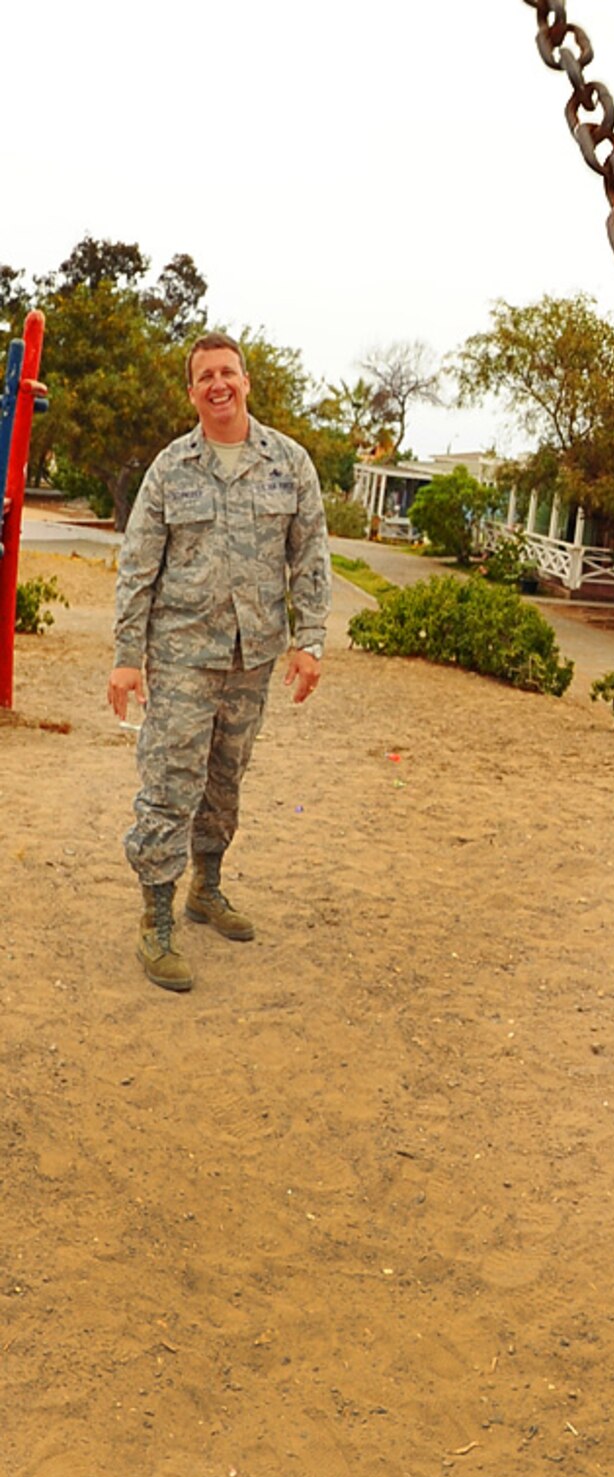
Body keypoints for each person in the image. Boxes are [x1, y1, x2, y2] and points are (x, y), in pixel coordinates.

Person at [107, 331, 330, 993]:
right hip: (180, 657)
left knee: (224, 784)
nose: (218, 385)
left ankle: (207, 889)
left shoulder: (288, 464)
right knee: (170, 784)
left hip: (251, 659)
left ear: (246, 380)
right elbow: (137, 567)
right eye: (205, 376)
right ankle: (156, 916)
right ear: (192, 391)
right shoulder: (171, 469)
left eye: (227, 372)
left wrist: (310, 641)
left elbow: (310, 558)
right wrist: (127, 658)